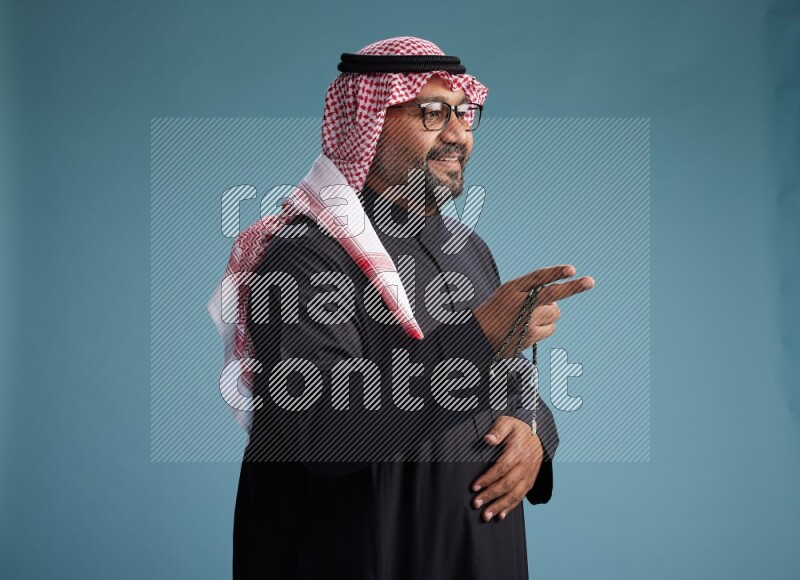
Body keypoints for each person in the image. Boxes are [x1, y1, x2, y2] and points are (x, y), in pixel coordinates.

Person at [227, 36, 594, 579]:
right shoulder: (306, 254)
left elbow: (508, 377)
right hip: (361, 552)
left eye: (464, 113)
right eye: (432, 113)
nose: (458, 133)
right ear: (369, 122)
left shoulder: (469, 248)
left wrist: (533, 429)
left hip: (480, 554)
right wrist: (479, 338)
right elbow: (321, 433)